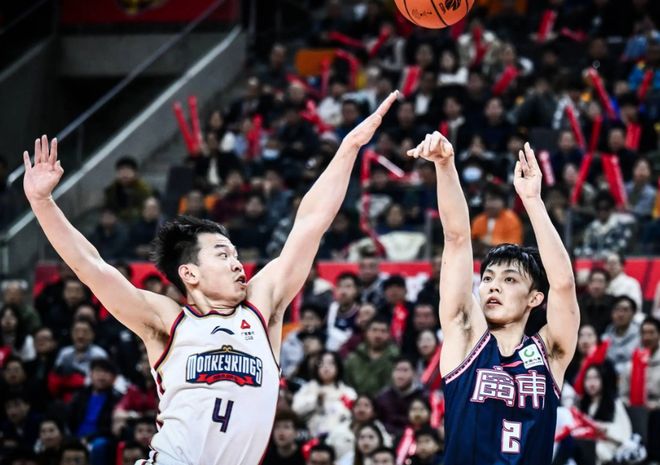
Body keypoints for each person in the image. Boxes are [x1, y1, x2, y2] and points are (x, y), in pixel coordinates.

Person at [22, 92, 398, 465]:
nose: (237, 264)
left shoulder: (261, 306)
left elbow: (310, 223)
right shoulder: (167, 321)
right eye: (222, 254)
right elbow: (91, 266)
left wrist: (349, 147)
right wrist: (43, 203)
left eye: (235, 254)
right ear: (190, 273)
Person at [407, 133, 579, 464]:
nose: (492, 287)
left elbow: (563, 284)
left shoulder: (550, 352)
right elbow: (457, 239)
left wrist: (533, 201)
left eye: (509, 279)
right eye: (487, 279)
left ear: (534, 298)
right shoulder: (465, 338)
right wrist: (445, 165)